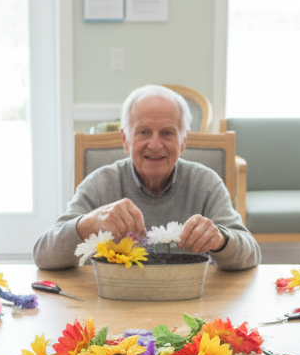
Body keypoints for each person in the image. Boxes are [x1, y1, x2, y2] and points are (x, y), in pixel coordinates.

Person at [33, 84, 259, 270]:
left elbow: (251, 254)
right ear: (125, 139)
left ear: (183, 141)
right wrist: (85, 225)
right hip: (115, 303)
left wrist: (221, 240)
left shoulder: (206, 183)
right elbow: (43, 255)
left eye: (167, 133)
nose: (155, 144)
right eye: (143, 132)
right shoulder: (100, 183)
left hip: (189, 303)